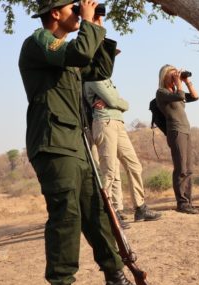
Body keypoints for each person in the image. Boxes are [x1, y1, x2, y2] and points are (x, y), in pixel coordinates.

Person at [18, 1, 141, 285]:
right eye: (74, 8)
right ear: (55, 13)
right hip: (53, 143)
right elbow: (80, 52)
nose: (79, 12)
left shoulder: (65, 53)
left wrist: (96, 26)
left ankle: (115, 280)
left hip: (78, 144)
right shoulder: (39, 42)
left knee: (97, 213)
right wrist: (87, 25)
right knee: (66, 215)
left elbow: (98, 69)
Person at [82, 27, 161, 228]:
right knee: (109, 171)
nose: (112, 59)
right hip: (105, 123)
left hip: (116, 122)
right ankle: (109, 214)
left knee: (134, 165)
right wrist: (118, 102)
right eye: (109, 55)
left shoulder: (105, 77)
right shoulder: (93, 77)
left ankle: (140, 208)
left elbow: (117, 102)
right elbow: (114, 99)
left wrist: (117, 102)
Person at [155, 65, 199, 214]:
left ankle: (188, 202)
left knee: (189, 169)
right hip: (176, 131)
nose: (176, 76)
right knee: (180, 168)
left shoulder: (176, 91)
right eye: (173, 74)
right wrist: (178, 83)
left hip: (186, 130)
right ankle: (182, 203)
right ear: (164, 76)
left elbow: (195, 96)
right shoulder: (161, 93)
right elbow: (181, 96)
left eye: (177, 73)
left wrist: (186, 81)